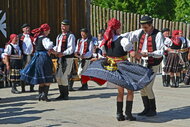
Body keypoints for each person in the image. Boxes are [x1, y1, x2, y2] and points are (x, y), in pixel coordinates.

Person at [81, 18, 155, 121]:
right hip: (123, 67)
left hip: (113, 68)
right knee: (130, 90)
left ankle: (119, 114)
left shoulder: (105, 41)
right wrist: (141, 54)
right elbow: (132, 53)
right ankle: (128, 114)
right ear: (118, 28)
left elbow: (104, 55)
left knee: (120, 92)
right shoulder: (123, 40)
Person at [124, 16, 164, 117]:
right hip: (142, 63)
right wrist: (130, 48)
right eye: (142, 27)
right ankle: (146, 109)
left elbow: (161, 52)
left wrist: (149, 53)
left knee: (148, 86)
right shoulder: (141, 32)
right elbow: (127, 36)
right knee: (142, 86)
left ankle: (153, 109)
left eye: (146, 27)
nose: (144, 29)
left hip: (153, 63)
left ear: (151, 25)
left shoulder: (158, 34)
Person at [20, 24, 55, 102]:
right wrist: (56, 52)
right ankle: (44, 96)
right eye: (49, 30)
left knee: (41, 77)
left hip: (37, 58)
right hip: (44, 58)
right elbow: (49, 47)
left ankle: (40, 95)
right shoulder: (45, 39)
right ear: (45, 30)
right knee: (47, 77)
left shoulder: (37, 38)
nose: (49, 32)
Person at [53, 19, 76, 100]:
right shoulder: (59, 36)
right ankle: (61, 94)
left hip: (67, 58)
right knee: (58, 76)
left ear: (68, 26)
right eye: (62, 25)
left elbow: (71, 48)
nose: (63, 27)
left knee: (63, 76)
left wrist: (63, 53)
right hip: (60, 58)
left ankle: (66, 94)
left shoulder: (70, 36)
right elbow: (57, 46)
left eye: (65, 25)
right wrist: (53, 50)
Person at [18, 23, 35, 92]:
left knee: (32, 71)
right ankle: (23, 88)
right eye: (26, 28)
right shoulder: (19, 36)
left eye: (28, 28)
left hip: (32, 55)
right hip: (23, 56)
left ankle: (31, 88)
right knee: (23, 71)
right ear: (23, 29)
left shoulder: (32, 36)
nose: (27, 29)